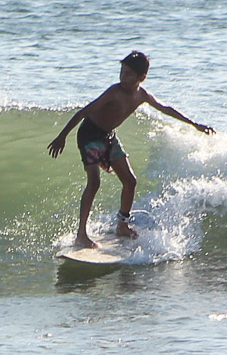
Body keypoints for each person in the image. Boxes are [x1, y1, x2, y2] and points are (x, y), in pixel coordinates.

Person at [47, 51, 213, 248]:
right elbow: (85, 111)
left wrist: (193, 124)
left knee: (130, 181)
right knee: (94, 182)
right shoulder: (113, 92)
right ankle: (81, 234)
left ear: (141, 78)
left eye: (128, 74)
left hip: (109, 136)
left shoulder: (142, 95)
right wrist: (62, 136)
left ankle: (122, 225)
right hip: (90, 135)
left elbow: (165, 108)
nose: (123, 77)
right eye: (122, 72)